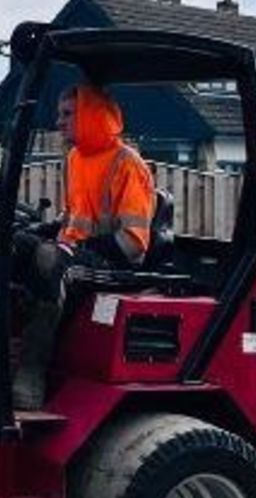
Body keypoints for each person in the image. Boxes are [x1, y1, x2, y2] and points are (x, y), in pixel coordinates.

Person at [11, 83, 156, 409]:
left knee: (50, 260)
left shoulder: (126, 164)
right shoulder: (76, 158)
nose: (58, 122)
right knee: (15, 245)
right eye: (59, 114)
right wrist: (44, 229)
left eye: (67, 114)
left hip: (116, 263)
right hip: (78, 252)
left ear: (90, 116)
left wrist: (72, 246)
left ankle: (31, 375)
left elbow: (133, 242)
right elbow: (74, 217)